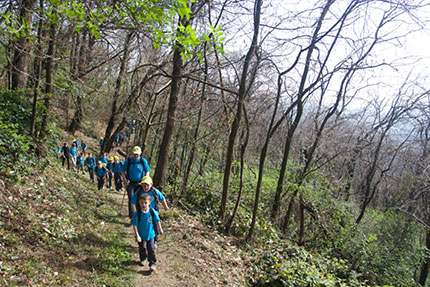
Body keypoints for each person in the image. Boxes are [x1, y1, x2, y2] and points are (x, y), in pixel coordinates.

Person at [132, 193, 163, 272]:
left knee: (151, 249)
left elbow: (157, 220)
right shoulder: (137, 213)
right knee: (142, 247)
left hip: (151, 234)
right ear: (139, 203)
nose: (144, 205)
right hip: (141, 234)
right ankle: (143, 259)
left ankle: (152, 264)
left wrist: (160, 229)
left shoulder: (152, 211)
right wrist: (137, 235)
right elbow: (134, 224)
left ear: (149, 202)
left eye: (145, 203)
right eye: (142, 203)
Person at [122, 146, 150, 219]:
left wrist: (145, 180)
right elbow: (122, 171)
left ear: (140, 154)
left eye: (137, 154)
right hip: (130, 183)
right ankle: (132, 216)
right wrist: (125, 179)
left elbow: (147, 171)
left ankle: (139, 215)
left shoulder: (142, 161)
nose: (136, 155)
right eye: (134, 154)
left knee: (139, 199)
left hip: (140, 183)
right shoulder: (129, 160)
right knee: (131, 199)